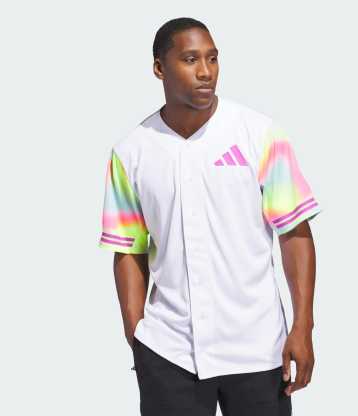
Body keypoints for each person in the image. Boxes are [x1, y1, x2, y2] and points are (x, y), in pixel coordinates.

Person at [98, 16, 322, 416]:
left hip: (258, 348)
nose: (206, 71)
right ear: (159, 68)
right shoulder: (131, 153)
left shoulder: (259, 135)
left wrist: (302, 326)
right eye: (190, 59)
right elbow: (129, 248)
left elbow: (294, 233)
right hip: (170, 352)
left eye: (213, 58)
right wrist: (138, 337)